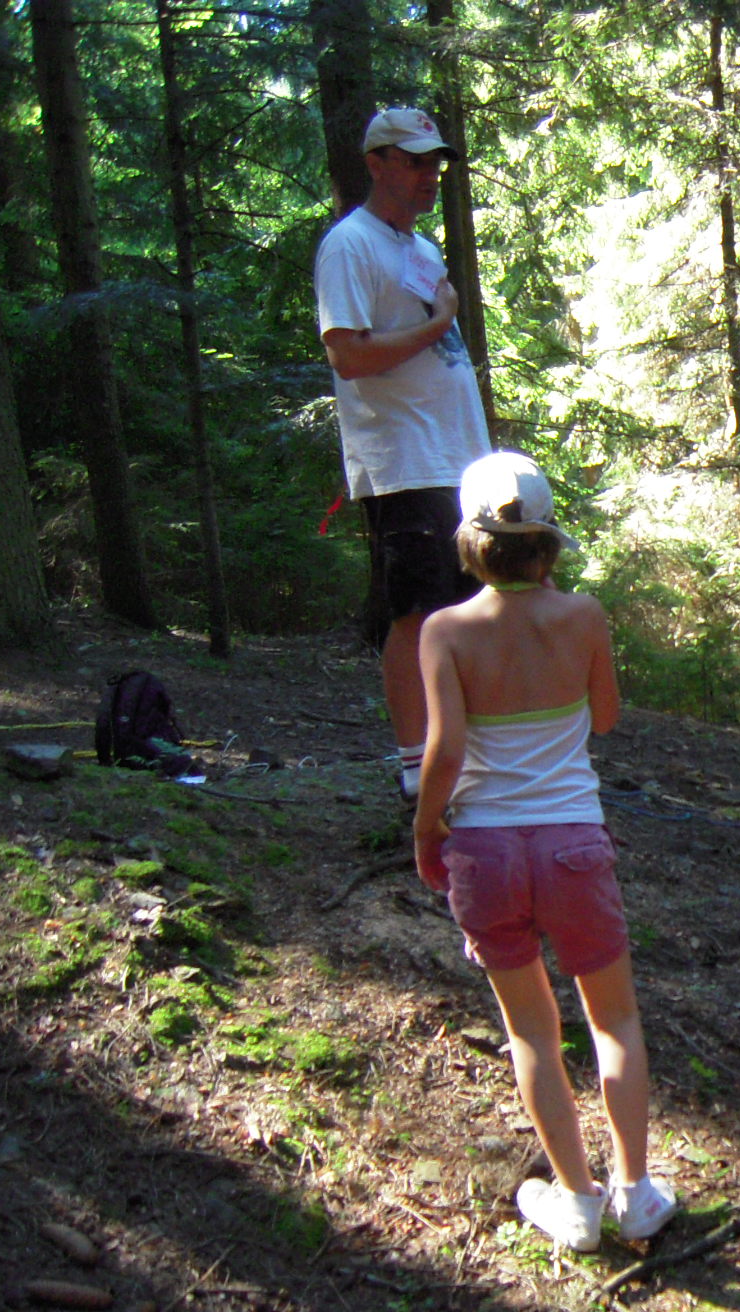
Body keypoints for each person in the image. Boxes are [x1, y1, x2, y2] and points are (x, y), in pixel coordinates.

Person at [414, 451, 674, 1252]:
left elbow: (445, 750)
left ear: (471, 541)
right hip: (572, 845)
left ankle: (578, 1203)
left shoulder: (443, 631)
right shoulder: (584, 616)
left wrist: (426, 829)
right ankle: (636, 1193)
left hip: (484, 851)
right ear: (549, 541)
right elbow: (606, 717)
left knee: (531, 1030)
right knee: (615, 1019)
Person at [316, 106, 492, 801]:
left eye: (435, 163)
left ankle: (456, 753)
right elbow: (348, 355)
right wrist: (442, 322)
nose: (429, 176)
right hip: (404, 459)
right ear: (377, 163)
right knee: (415, 611)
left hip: (457, 458)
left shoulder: (418, 249)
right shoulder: (349, 245)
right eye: (415, 162)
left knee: (463, 607)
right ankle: (416, 766)